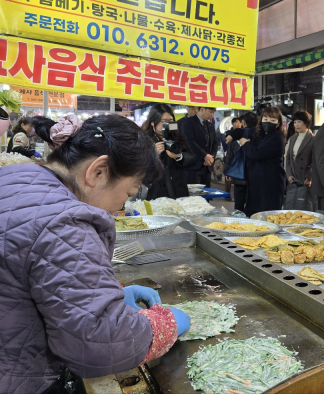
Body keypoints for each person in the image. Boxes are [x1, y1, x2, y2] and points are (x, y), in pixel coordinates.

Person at [0, 114, 190, 394]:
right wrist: (165, 324)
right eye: (127, 193)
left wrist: (105, 296)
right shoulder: (65, 223)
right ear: (98, 171)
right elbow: (98, 344)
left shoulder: (16, 178)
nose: (119, 207)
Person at [141, 103, 196, 200]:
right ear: (153, 122)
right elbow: (136, 166)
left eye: (171, 121)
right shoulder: (143, 139)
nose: (168, 124)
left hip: (178, 189)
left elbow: (193, 158)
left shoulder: (178, 137)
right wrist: (152, 155)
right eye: (164, 121)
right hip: (155, 190)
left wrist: (179, 156)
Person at [239, 107, 286, 217]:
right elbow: (244, 131)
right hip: (258, 184)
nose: (268, 122)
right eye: (265, 119)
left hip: (270, 185)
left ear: (279, 123)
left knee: (267, 217)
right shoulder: (261, 135)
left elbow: (256, 154)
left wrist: (245, 144)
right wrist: (232, 135)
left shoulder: (277, 138)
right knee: (254, 214)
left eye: (273, 120)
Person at [181, 107, 219, 187]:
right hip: (194, 166)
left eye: (213, 113)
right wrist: (204, 155)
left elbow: (215, 143)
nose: (212, 115)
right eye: (210, 112)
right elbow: (189, 142)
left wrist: (211, 157)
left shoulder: (210, 125)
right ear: (202, 109)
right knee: (194, 196)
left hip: (207, 166)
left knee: (206, 194)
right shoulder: (188, 122)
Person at [284, 111, 314, 210]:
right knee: (290, 210)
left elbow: (316, 161)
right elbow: (288, 158)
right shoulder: (293, 138)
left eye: (299, 122)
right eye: (295, 122)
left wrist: (309, 177)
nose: (296, 124)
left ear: (306, 123)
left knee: (305, 211)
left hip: (305, 181)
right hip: (292, 181)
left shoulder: (314, 139)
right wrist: (289, 174)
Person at [224, 128, 248, 211]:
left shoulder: (233, 143)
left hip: (238, 175)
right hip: (249, 177)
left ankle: (239, 218)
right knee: (246, 202)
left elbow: (229, 158)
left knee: (239, 202)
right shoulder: (252, 141)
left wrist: (228, 172)